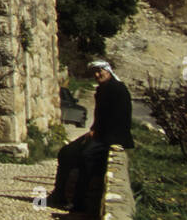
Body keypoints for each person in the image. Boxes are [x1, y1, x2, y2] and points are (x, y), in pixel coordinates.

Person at [47, 60, 135, 212]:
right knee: (66, 152)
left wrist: (97, 133)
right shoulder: (103, 89)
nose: (97, 75)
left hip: (114, 136)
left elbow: (118, 118)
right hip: (100, 133)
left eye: (100, 71)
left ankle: (79, 202)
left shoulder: (118, 89)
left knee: (86, 157)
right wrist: (93, 131)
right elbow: (100, 116)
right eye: (95, 72)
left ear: (108, 71)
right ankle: (58, 195)